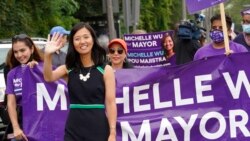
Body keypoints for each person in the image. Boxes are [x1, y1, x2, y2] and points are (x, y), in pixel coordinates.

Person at [43, 22, 117, 141]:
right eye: (77, 38)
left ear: (93, 39)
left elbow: (110, 102)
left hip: (98, 128)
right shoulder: (68, 68)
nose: (82, 42)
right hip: (74, 129)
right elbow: (48, 77)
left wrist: (112, 132)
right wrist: (47, 55)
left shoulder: (105, 70)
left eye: (86, 37)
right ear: (72, 42)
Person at [5, 34, 43, 141]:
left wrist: (38, 70)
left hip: (44, 123)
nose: (19, 55)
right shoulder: (12, 74)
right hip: (23, 125)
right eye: (16, 52)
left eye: (22, 50)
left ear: (31, 49)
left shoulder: (43, 68)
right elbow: (11, 103)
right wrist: (16, 128)